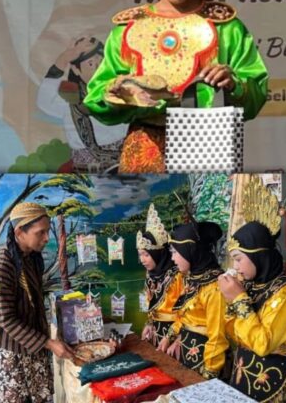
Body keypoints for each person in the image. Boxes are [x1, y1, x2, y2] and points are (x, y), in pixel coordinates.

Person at [84, 0, 268, 173]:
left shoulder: (226, 28)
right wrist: (121, 91)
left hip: (206, 143)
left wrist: (235, 84)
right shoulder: (129, 29)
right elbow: (96, 98)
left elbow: (257, 94)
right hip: (142, 148)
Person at [0, 202, 75, 403]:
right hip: (12, 356)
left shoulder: (30, 258)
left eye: (48, 231)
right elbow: (7, 320)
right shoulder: (2, 265)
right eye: (41, 233)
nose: (47, 238)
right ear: (20, 232)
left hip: (33, 349)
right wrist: (49, 342)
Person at [219, 218, 286, 401]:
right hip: (244, 370)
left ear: (258, 256)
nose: (235, 266)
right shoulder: (250, 287)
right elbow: (232, 332)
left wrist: (239, 299)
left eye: (238, 259)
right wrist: (231, 300)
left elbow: (263, 344)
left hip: (276, 374)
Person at [36, 36, 127, 171]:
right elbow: (45, 101)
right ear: (76, 70)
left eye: (101, 63)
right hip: (89, 173)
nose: (97, 69)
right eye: (90, 64)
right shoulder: (71, 105)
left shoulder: (125, 94)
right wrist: (63, 59)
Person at [160, 222, 227, 379]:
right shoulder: (192, 278)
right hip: (185, 351)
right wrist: (169, 336)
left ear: (191, 250)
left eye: (176, 252)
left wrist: (209, 373)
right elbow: (184, 316)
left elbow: (217, 336)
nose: (172, 258)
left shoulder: (215, 286)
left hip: (205, 360)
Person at [136, 206, 181, 347]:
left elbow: (184, 314)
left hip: (176, 336)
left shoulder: (177, 275)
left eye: (146, 255)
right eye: (140, 255)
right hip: (155, 332)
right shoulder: (150, 275)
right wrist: (149, 323)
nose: (142, 260)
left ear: (158, 253)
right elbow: (151, 304)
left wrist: (170, 337)